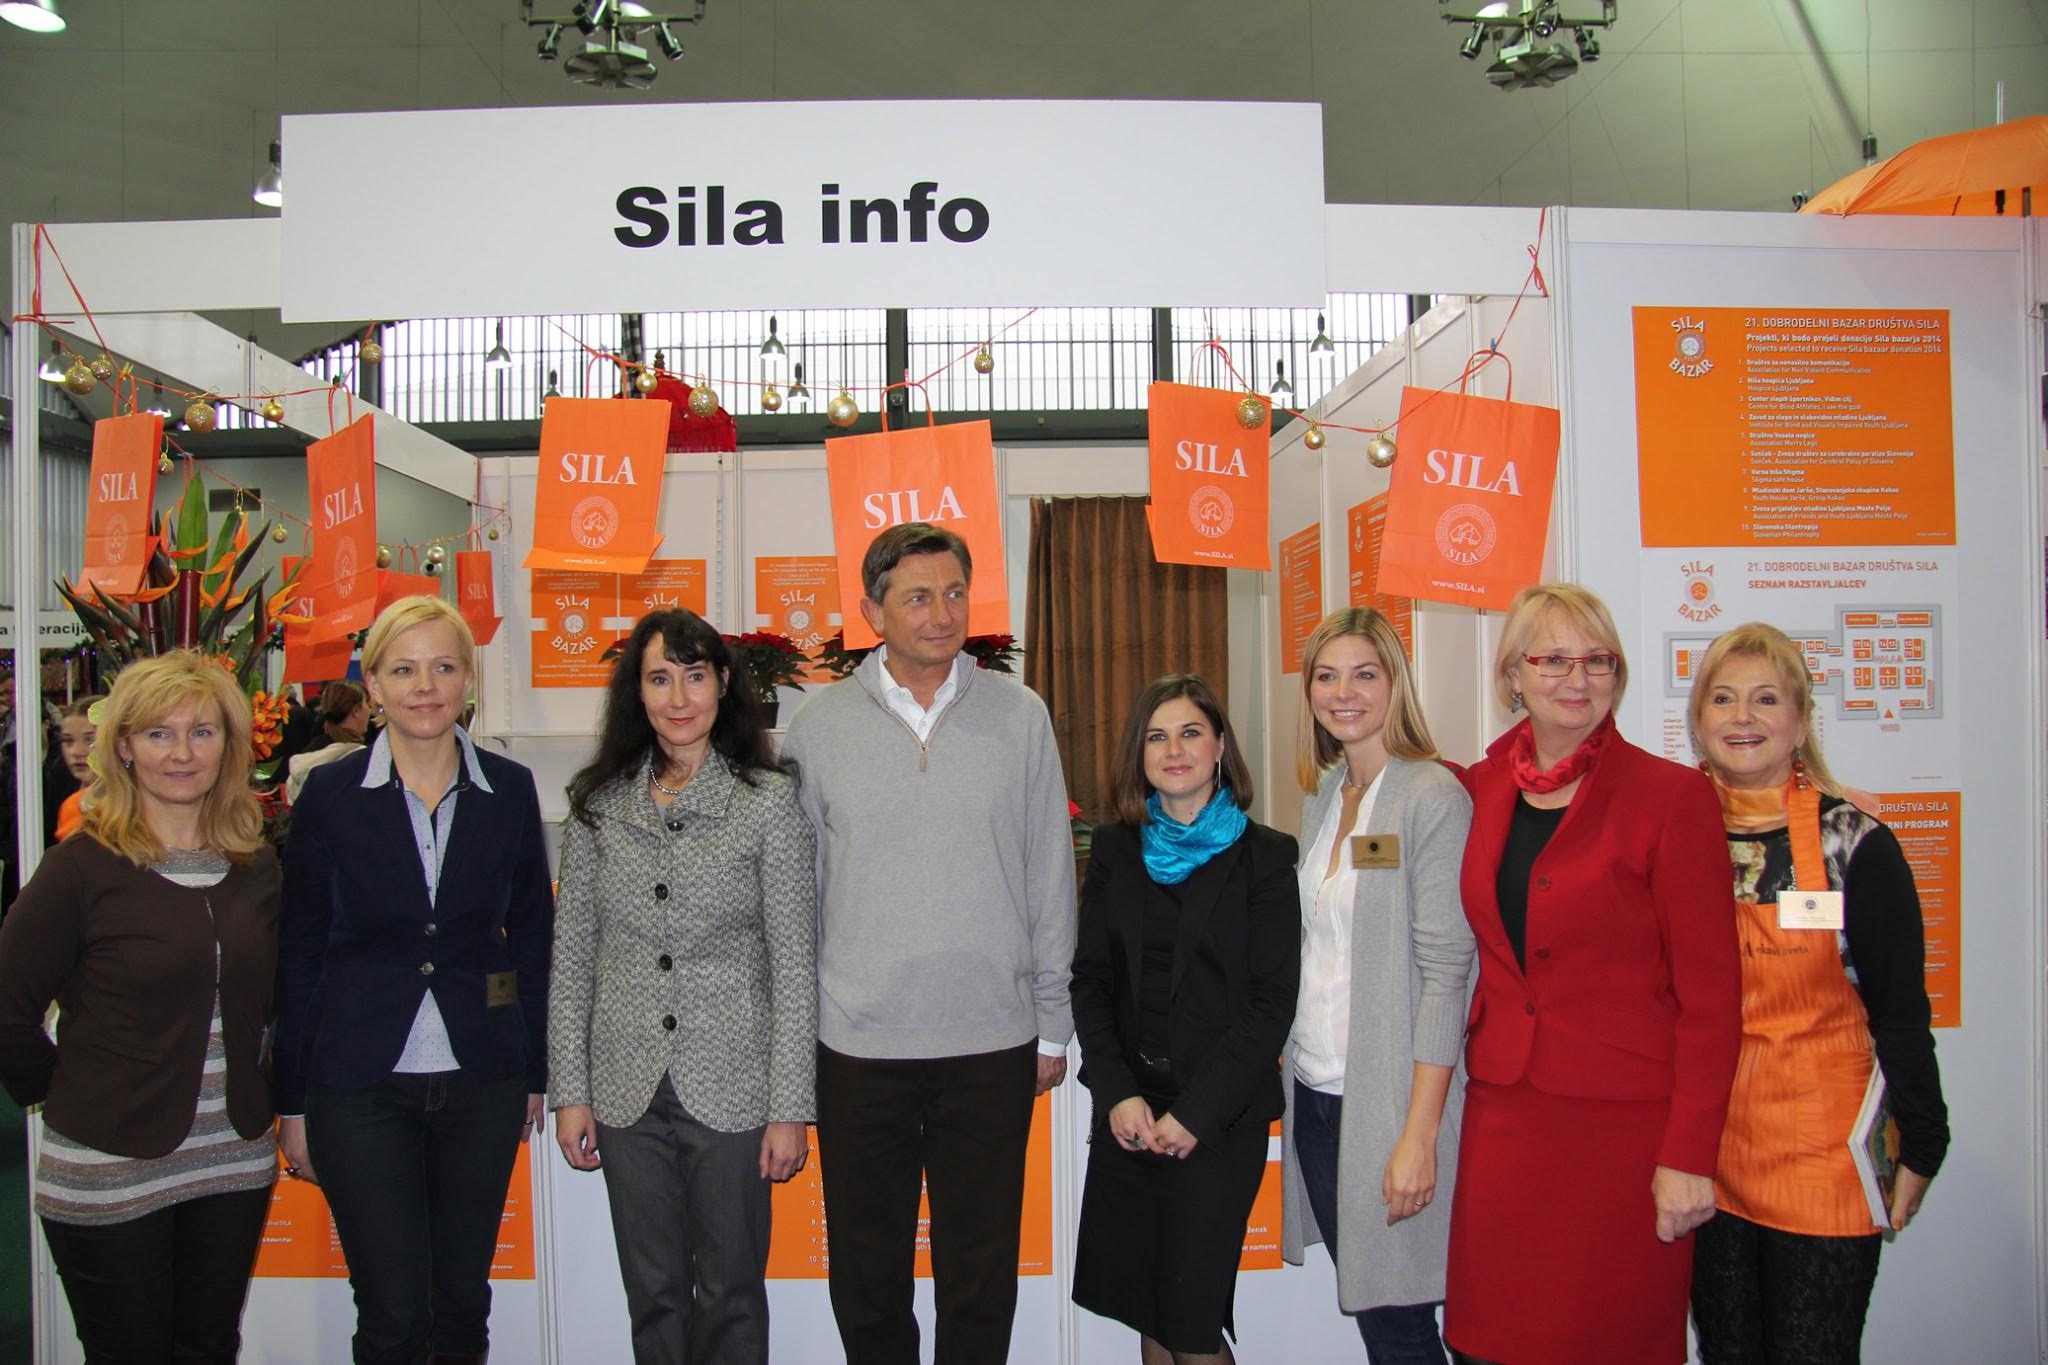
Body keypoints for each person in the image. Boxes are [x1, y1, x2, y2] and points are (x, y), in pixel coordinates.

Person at [778, 521, 1075, 1364]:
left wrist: (1052, 1022)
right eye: (917, 597)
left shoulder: (1021, 716)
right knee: (866, 1269)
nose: (942, 614)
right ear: (873, 611)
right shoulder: (819, 727)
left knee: (981, 1268)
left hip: (992, 1042)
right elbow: (798, 897)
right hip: (858, 1046)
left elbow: (1049, 872)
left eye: (954, 593)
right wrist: (797, 1038)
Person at [1442, 583, 1740, 1365]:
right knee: (1489, 1341)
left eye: (1597, 660)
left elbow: (1712, 1001)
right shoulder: (1477, 789)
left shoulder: (1672, 798)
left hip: (1625, 1135)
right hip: (1505, 1120)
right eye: (1553, 659)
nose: (1577, 678)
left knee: (1609, 1340)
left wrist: (1689, 1156)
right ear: (1513, 674)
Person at [276, 595, 554, 1365]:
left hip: (481, 1081)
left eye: (443, 667)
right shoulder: (329, 796)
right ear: (372, 685)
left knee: (461, 1304)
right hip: (358, 1088)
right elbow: (300, 951)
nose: (424, 686)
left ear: (468, 680)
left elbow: (533, 939)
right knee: (393, 1314)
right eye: (402, 669)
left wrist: (535, 1071)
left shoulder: (509, 788)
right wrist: (291, 1100)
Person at [549, 609, 817, 1364]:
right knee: (654, 1291)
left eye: (694, 676)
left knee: (731, 1291)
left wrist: (789, 1108)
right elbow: (573, 961)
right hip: (624, 1089)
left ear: (723, 683)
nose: (678, 697)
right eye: (659, 678)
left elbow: (794, 965)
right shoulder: (599, 807)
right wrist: (571, 1090)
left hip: (735, 1086)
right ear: (636, 692)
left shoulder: (767, 803)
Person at [0, 652, 281, 1361]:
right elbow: (7, 1007)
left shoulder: (256, 865)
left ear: (229, 746)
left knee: (209, 1348)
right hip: (109, 1169)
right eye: (159, 734)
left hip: (232, 1162)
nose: (182, 753)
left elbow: (278, 1000)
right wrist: (69, 1093)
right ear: (123, 746)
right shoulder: (80, 868)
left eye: (201, 732)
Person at [1684, 622, 1949, 1362]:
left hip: (1825, 1155)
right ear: (1698, 723)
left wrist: (1924, 1141)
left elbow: (1901, 1011)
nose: (1743, 716)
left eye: (1766, 699)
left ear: (1801, 722)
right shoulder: (1674, 836)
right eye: (1723, 699)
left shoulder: (1855, 841)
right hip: (1710, 1153)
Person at [1069, 674, 1299, 1365]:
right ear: (1138, 754)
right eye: (1157, 737)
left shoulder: (1266, 856)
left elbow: (1271, 1002)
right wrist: (1116, 1093)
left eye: (1191, 732)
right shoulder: (1116, 849)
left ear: (1221, 746)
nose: (1174, 750)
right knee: (1149, 1311)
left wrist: (1196, 1114)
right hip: (1132, 1116)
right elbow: (1092, 981)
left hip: (1216, 1123)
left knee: (1192, 1324)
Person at [1280, 610, 1475, 1363]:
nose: (1345, 693)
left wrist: (1419, 1137)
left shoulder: (1431, 796)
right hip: (1318, 1096)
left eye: (1365, 674)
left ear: (1396, 684)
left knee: (1401, 1328)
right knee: (1378, 1319)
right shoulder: (1326, 796)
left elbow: (1446, 975)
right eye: (1327, 676)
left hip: (1391, 1104)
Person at [285, 679, 370, 803]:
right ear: (356, 710)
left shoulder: (310, 752)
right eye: (367, 703)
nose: (369, 710)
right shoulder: (360, 759)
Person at [50, 693, 106, 842]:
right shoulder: (71, 806)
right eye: (68, 741)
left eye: (90, 739)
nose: (76, 751)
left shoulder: (147, 803)